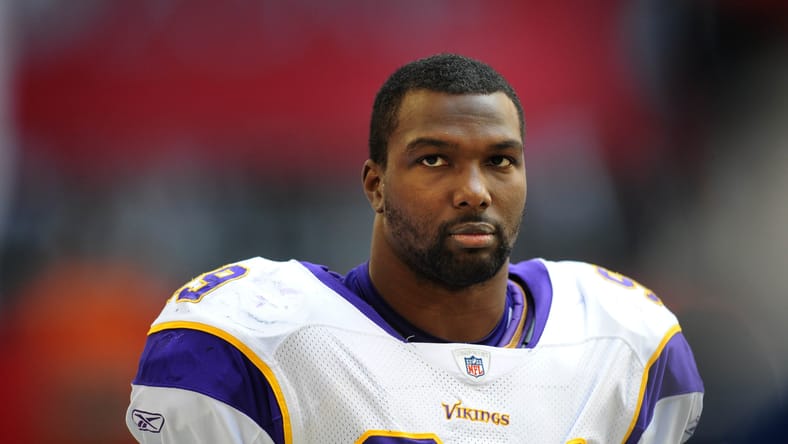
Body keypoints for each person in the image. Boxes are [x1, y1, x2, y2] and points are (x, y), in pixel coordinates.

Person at [126, 53, 703, 443]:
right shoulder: (254, 336)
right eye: (435, 160)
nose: (474, 192)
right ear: (375, 184)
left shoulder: (622, 338)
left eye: (500, 161)